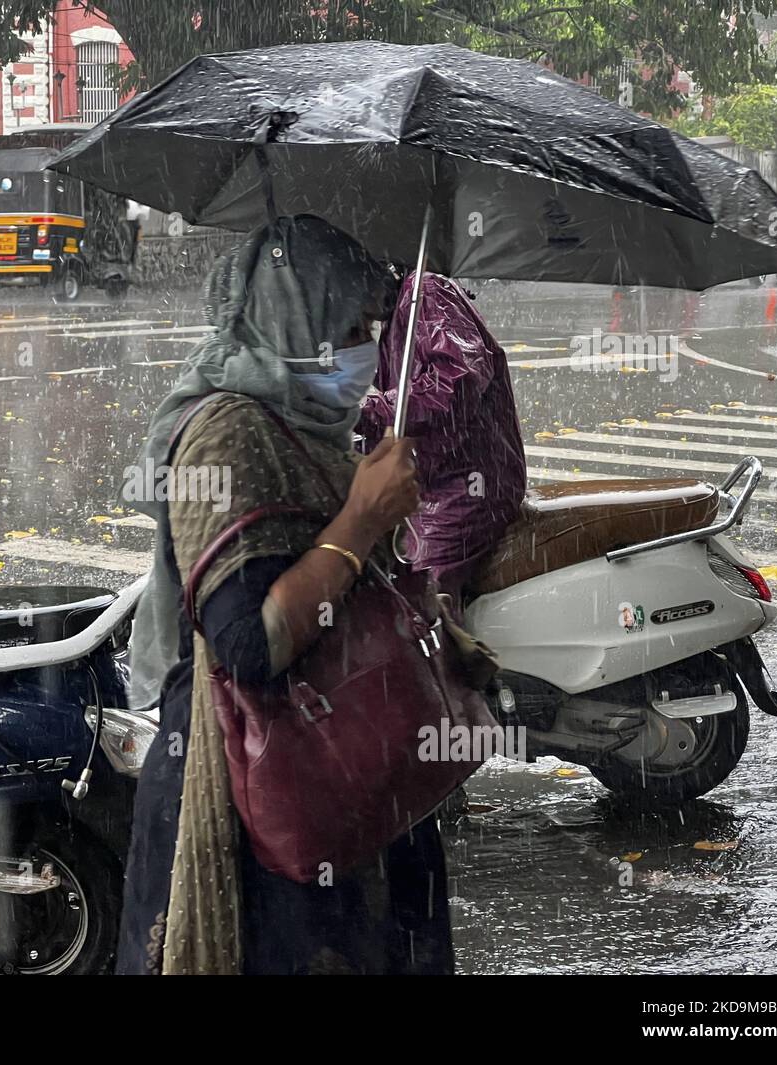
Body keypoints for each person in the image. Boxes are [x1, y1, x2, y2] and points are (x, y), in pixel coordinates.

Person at [117, 215, 454, 975]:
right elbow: (248, 646)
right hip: (255, 799)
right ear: (295, 317)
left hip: (342, 771)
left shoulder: (316, 429)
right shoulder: (227, 434)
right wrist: (361, 520)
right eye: (351, 324)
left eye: (374, 325)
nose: (368, 347)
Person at [355, 272, 526, 602]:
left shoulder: (427, 292)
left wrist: (365, 410)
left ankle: (446, 651)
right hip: (431, 481)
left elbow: (454, 385)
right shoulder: (395, 309)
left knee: (418, 594)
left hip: (465, 488)